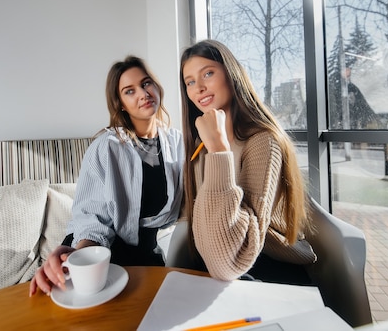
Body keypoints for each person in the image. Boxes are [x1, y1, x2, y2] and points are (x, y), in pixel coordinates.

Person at [30, 55, 184, 296]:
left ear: (156, 86)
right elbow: (91, 217)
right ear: (121, 103)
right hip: (105, 256)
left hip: (151, 259)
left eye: (145, 83)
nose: (143, 94)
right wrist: (82, 256)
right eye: (129, 91)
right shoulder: (107, 147)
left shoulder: (178, 143)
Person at [179, 39, 316, 285]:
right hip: (218, 261)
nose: (198, 87)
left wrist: (219, 151)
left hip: (265, 264)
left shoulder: (263, 141)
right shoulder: (201, 143)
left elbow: (229, 261)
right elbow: (202, 218)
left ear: (231, 76)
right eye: (189, 82)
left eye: (207, 73)